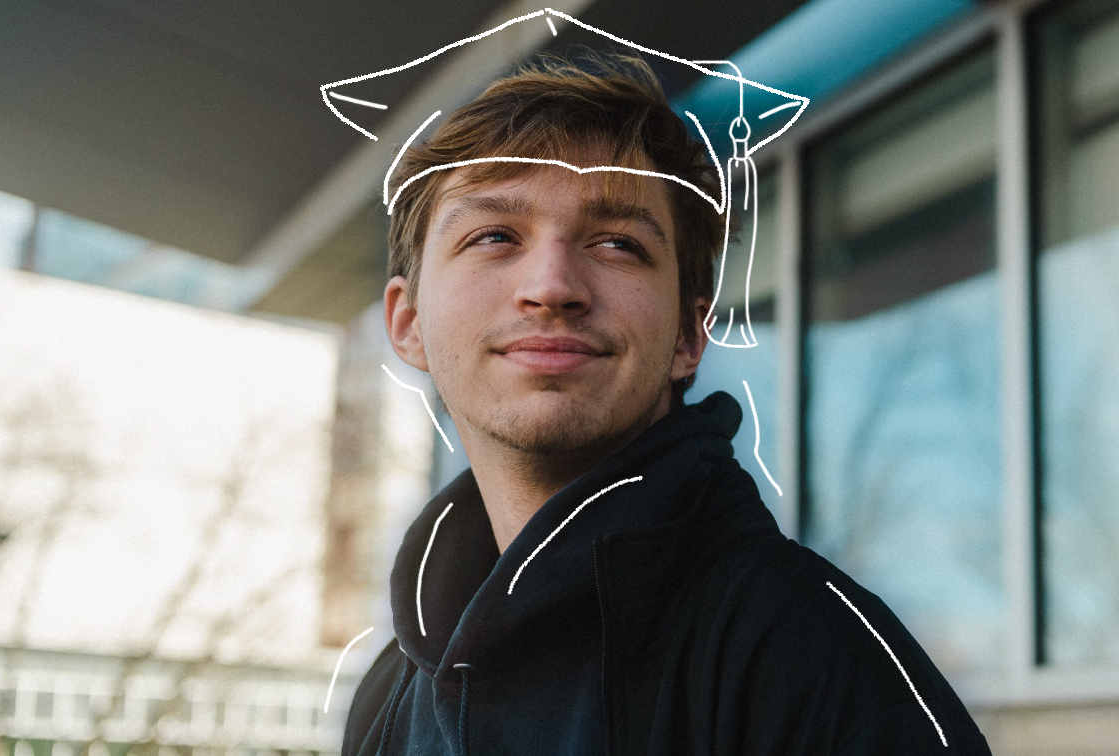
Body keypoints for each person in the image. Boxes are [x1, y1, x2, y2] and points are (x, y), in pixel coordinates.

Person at [343, 53, 992, 756]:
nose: (553, 284)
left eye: (617, 243)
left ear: (688, 334)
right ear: (408, 324)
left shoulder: (812, 655)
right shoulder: (387, 690)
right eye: (494, 236)